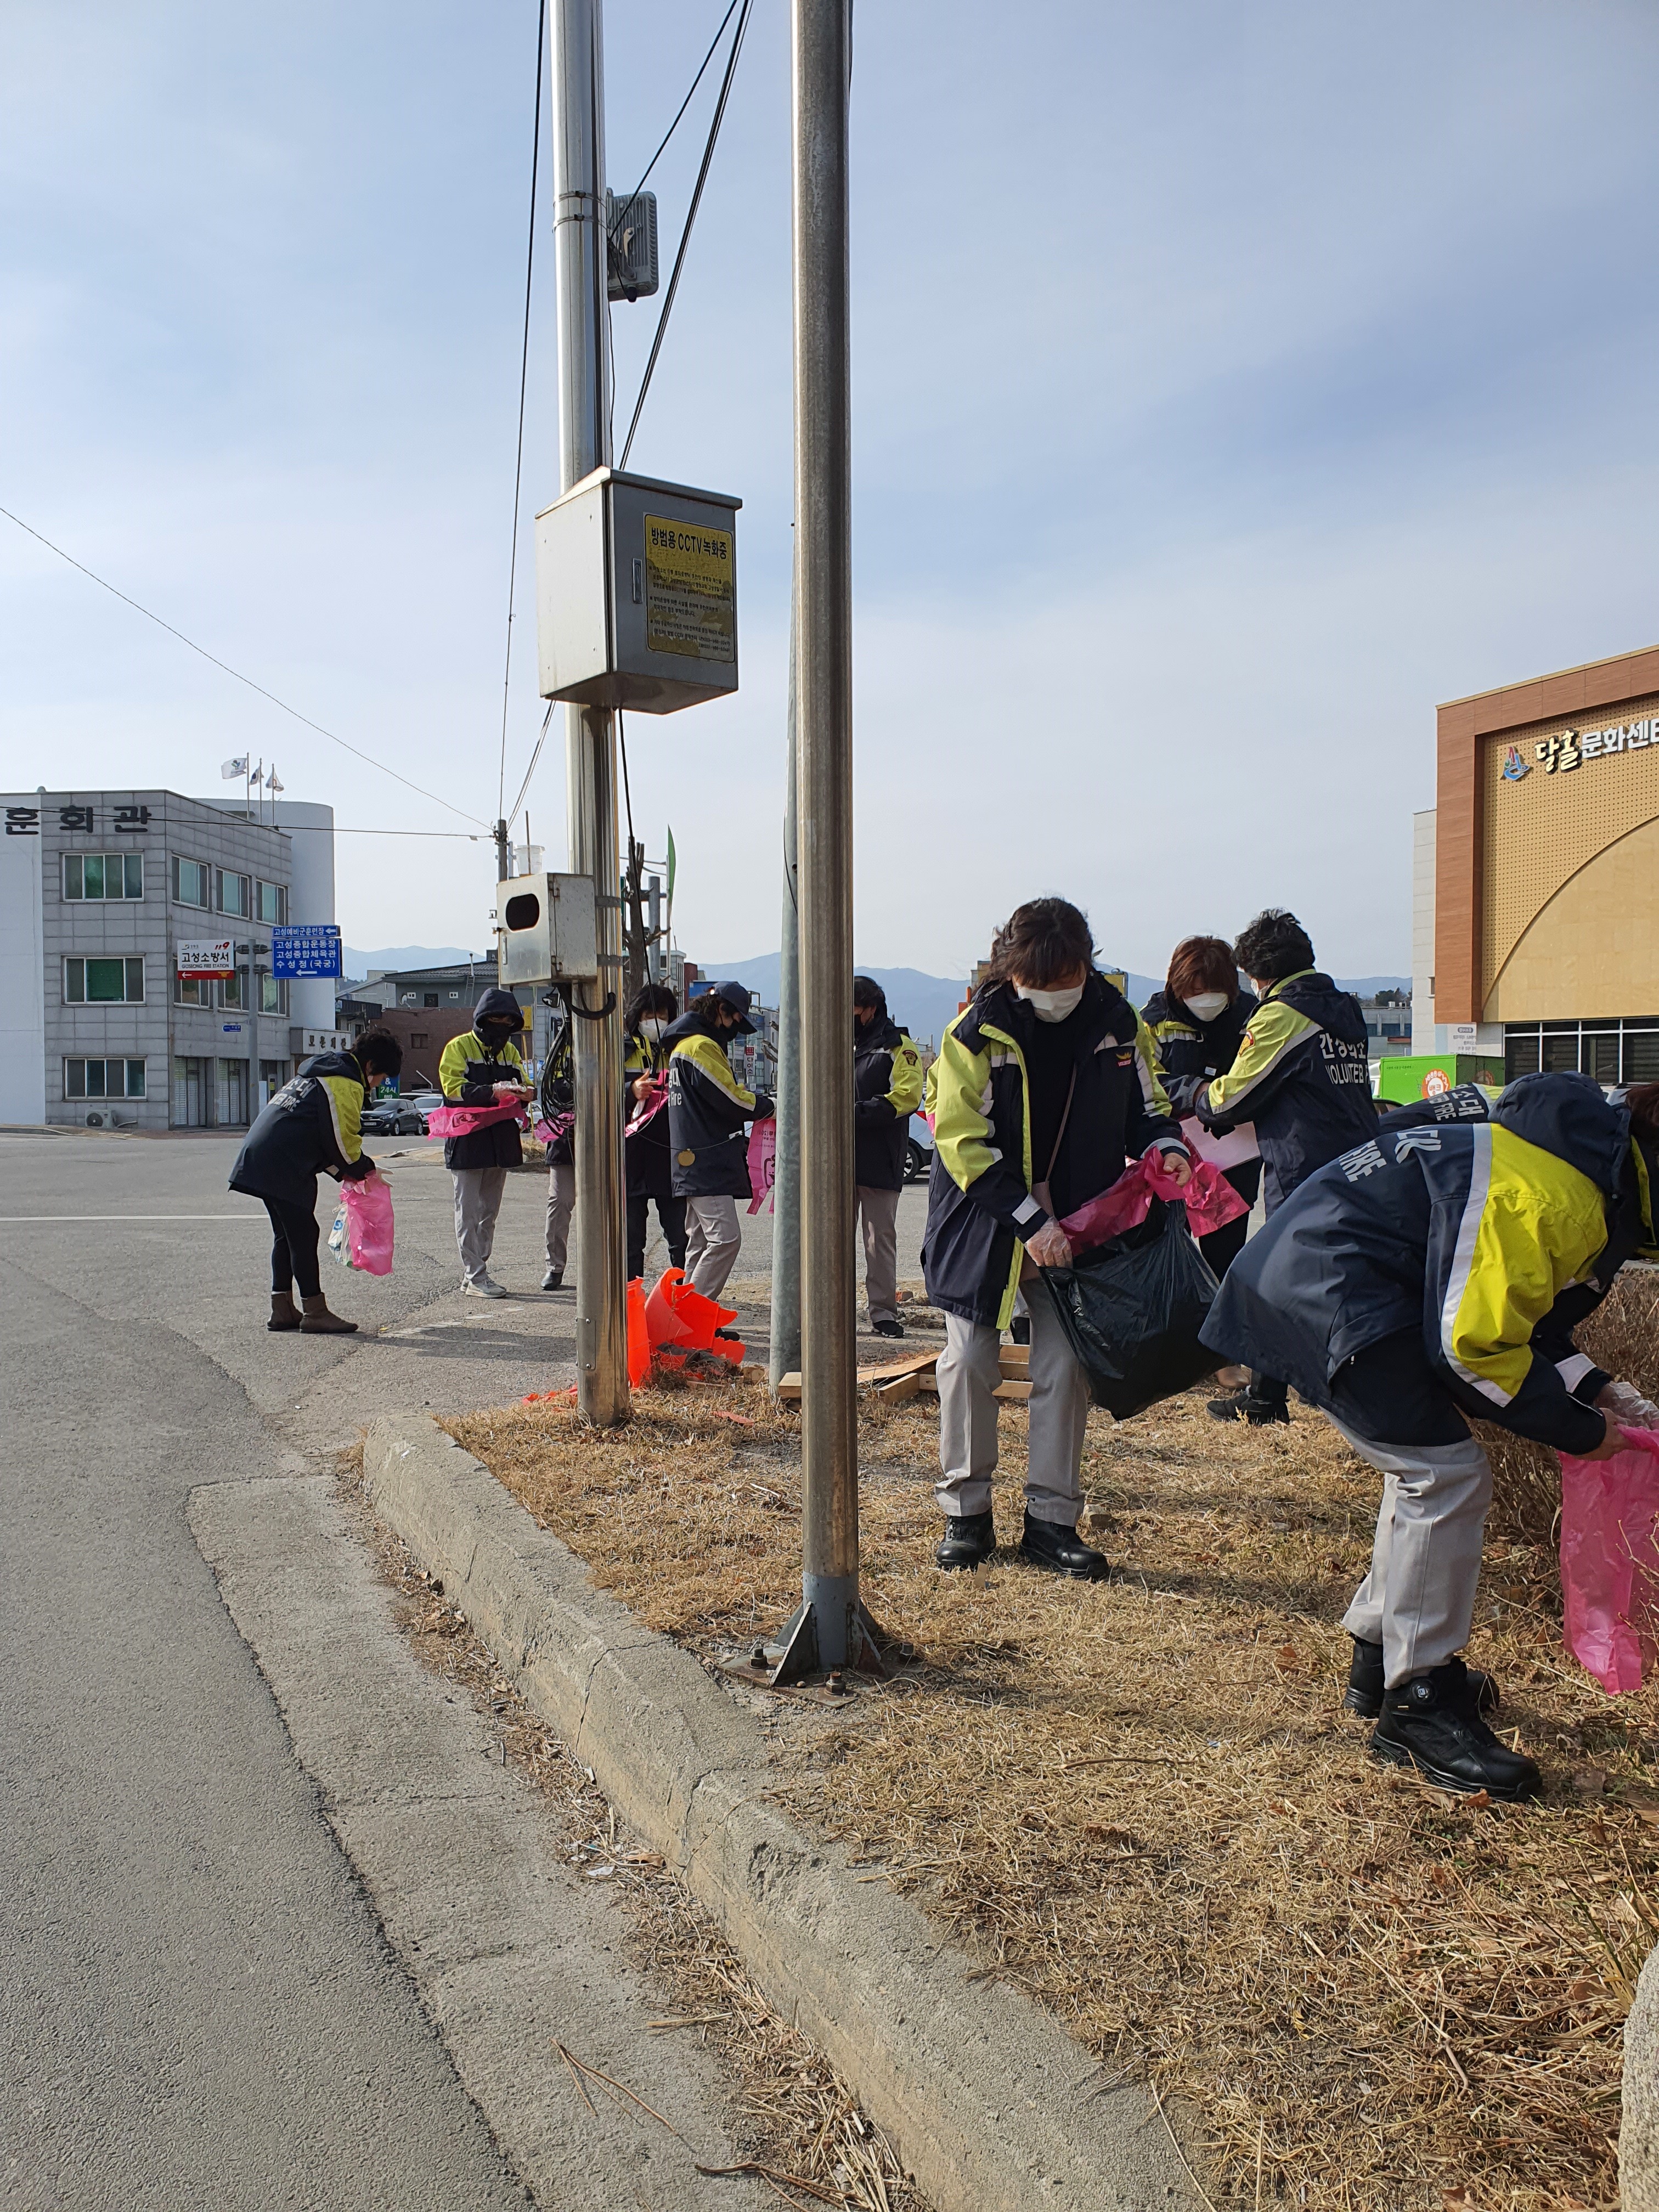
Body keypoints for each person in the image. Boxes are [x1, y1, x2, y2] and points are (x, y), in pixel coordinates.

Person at [1201, 1073, 1659, 1799]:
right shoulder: (1562, 1197)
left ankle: (1383, 1655)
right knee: (1443, 1475)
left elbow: (1518, 1316)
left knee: (1425, 1467)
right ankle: (1419, 1703)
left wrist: (1598, 1388)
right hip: (1332, 1291)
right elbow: (1471, 1346)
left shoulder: (1572, 1157)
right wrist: (1580, 1428)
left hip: (1326, 1276)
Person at [922, 898, 1192, 1579]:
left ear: (1086, 965)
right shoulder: (973, 1034)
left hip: (1078, 1221)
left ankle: (1052, 1520)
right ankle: (966, 1513)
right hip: (983, 1219)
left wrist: (1166, 1147)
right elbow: (961, 1141)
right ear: (1011, 970)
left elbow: (1149, 1109)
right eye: (1037, 980)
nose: (1053, 992)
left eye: (1065, 976)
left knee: (1067, 1368)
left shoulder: (1119, 1024)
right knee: (969, 1361)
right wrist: (1027, 1220)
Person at [1164, 908, 1375, 1425]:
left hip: (1303, 1168)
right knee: (1325, 1278)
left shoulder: (1281, 1014)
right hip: (1357, 1160)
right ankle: (1282, 1392)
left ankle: (1274, 1398)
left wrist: (1189, 1092)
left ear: (1258, 974)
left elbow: (1229, 1101)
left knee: (1274, 1278)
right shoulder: (1344, 1008)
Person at [230, 1027, 403, 1334]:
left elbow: (321, 1140)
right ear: (370, 1066)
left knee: (286, 1235)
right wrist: (365, 1169)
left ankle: (282, 1308)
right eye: (381, 1077)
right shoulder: (345, 1083)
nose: (378, 1085)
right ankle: (315, 1311)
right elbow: (342, 1143)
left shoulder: (318, 1073)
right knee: (304, 1235)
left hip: (264, 1156)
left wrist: (352, 1173)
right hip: (284, 1162)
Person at [1141, 935, 1261, 1282]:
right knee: (1168, 1258)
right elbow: (1144, 1081)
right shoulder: (1154, 1021)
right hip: (1172, 1154)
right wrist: (1195, 1092)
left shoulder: (1252, 1016)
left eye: (1215, 991)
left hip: (1234, 1158)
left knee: (1225, 1261)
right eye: (1195, 991)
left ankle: (1220, 1313)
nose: (1206, 999)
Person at [664, 981, 774, 1306]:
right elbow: (731, 1099)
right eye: (736, 1020)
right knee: (725, 1239)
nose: (736, 1030)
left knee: (699, 1243)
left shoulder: (682, 1046)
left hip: (690, 1158)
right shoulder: (701, 1046)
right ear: (722, 1010)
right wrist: (769, 1106)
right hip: (705, 1161)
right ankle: (692, 1315)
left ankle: (682, 1317)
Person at [437, 987, 533, 1298]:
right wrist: (493, 1092)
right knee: (467, 1212)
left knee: (488, 1213)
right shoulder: (459, 1047)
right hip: (467, 1140)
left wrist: (526, 1093)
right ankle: (475, 1276)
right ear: (481, 1018)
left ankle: (477, 1273)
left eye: (509, 1021)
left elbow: (526, 1084)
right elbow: (453, 1089)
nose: (502, 1026)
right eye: (496, 1019)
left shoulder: (511, 1052)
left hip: (501, 1141)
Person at [853, 977, 926, 1339]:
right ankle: (828, 1310)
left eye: (851, 1008)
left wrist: (855, 1113)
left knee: (879, 1241)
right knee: (829, 1240)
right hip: (836, 1161)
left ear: (870, 1009)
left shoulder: (899, 1047)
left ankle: (882, 1312)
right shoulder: (837, 1042)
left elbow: (908, 1097)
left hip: (880, 1159)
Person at [622, 982, 688, 1283]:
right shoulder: (618, 1049)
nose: (656, 1021)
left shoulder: (677, 1050)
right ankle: (631, 1299)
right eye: (649, 1014)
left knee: (681, 1236)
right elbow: (596, 1094)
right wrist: (630, 1090)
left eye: (662, 1015)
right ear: (637, 1015)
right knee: (631, 1240)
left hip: (668, 1154)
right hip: (630, 1156)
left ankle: (682, 1294)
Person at [539, 1014, 575, 1291]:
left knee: (607, 1207)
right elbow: (552, 1090)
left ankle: (607, 1268)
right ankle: (555, 1267)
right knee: (560, 1203)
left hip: (608, 1142)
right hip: (565, 1144)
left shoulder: (617, 1047)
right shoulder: (560, 1055)